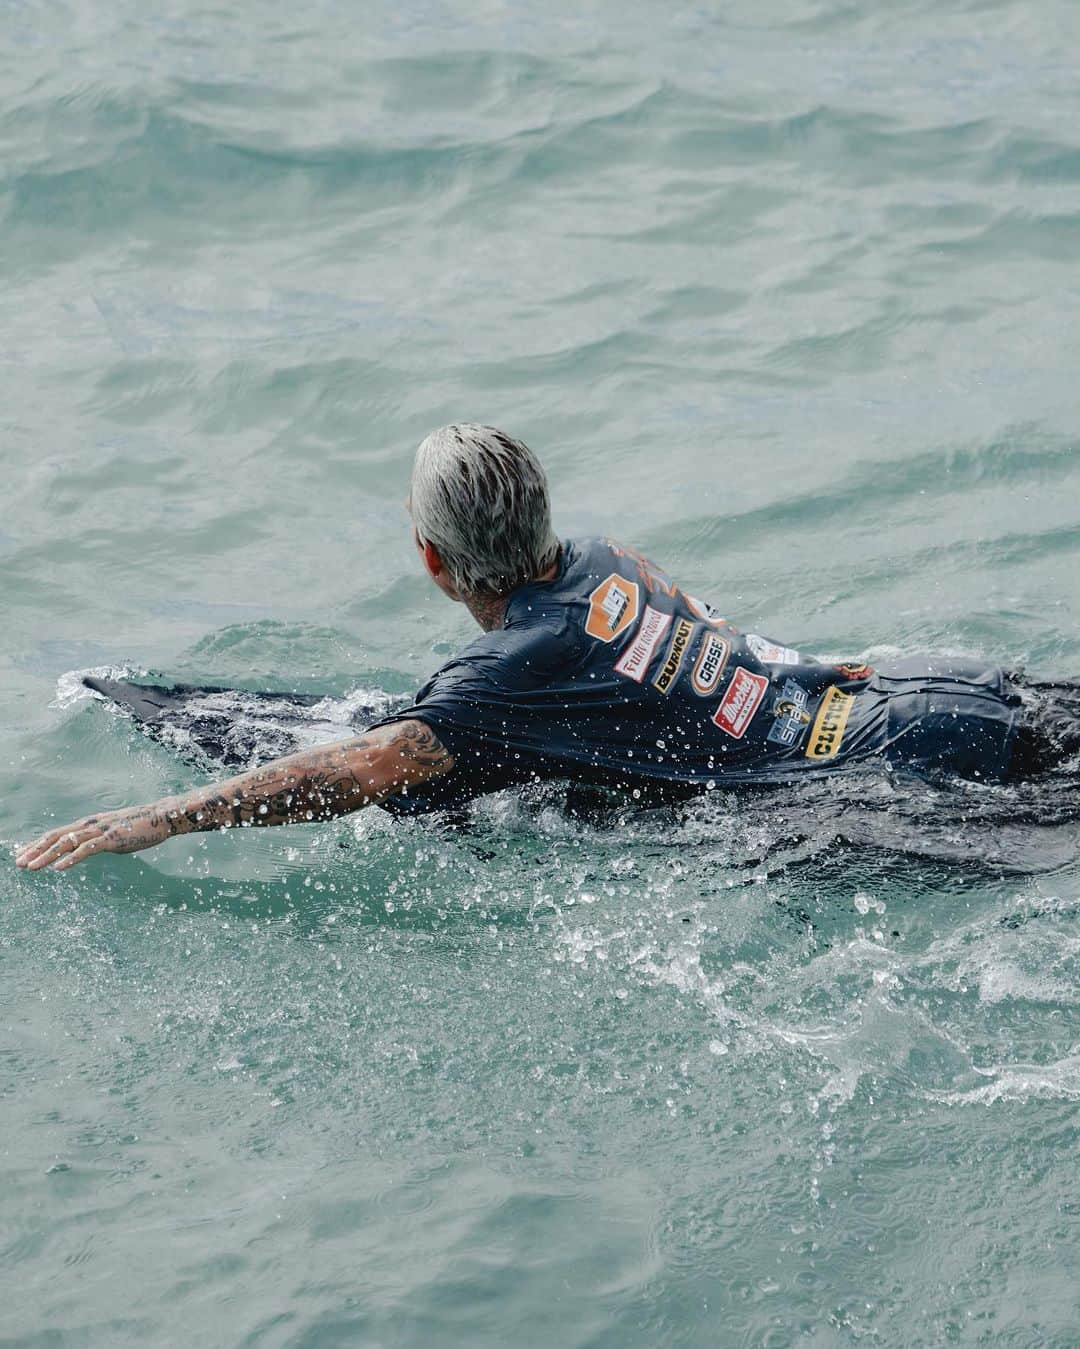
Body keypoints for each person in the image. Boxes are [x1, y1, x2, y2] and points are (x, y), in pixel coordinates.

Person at [14, 424, 1080, 873]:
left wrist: (152, 819)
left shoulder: (501, 675)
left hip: (913, 780)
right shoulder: (610, 558)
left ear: (434, 561)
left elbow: (358, 767)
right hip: (926, 692)